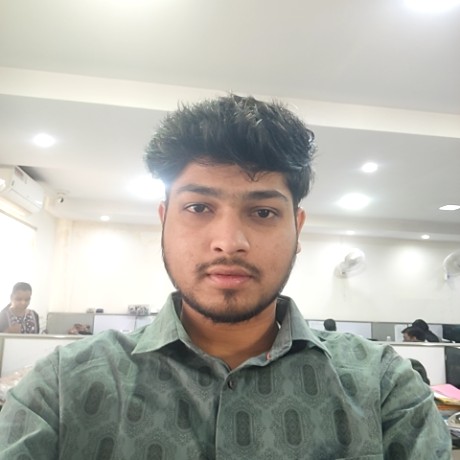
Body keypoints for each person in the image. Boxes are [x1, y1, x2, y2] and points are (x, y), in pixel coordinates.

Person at [0, 95, 451, 459]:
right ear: (163, 221)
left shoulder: (382, 388)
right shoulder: (62, 388)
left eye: (263, 212)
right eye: (199, 207)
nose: (229, 242)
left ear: (297, 229)